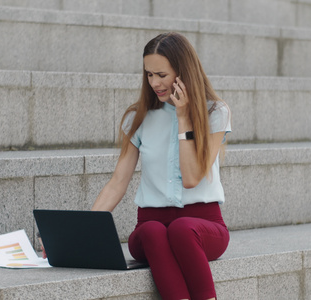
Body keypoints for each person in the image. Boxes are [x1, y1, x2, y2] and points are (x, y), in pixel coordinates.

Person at [91, 32, 232, 300]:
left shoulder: (216, 113)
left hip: (203, 227)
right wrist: (81, 232)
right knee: (155, 231)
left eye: (161, 75)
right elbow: (117, 183)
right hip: (150, 227)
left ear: (183, 72)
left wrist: (183, 118)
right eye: (148, 74)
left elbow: (192, 178)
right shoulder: (139, 117)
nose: (154, 82)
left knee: (181, 230)